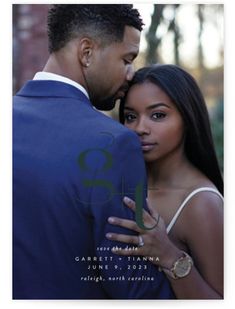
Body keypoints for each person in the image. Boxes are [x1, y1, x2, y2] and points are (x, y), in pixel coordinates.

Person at [13, 5, 173, 299]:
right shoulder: (113, 142)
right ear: (86, 52)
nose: (131, 73)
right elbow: (134, 289)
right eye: (127, 59)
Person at [106, 64, 224, 299]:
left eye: (158, 115)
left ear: (188, 118)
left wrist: (169, 255)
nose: (140, 128)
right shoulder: (123, 183)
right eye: (130, 116)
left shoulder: (201, 204)